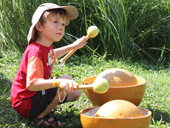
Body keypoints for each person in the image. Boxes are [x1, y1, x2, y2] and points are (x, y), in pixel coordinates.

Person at [10, 3, 86, 127]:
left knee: (73, 90)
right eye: (55, 22)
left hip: (32, 97)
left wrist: (74, 46)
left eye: (63, 24)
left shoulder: (45, 46)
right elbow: (32, 84)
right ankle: (40, 117)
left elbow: (52, 55)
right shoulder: (36, 52)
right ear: (39, 26)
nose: (61, 27)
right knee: (64, 84)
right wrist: (57, 83)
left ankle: (43, 107)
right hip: (26, 103)